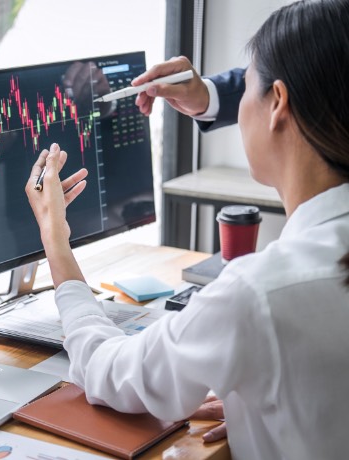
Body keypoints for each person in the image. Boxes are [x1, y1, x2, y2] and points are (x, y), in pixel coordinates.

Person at [25, 1, 349, 458]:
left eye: (248, 81)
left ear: (277, 103)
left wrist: (54, 237)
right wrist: (267, 405)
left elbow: (110, 373)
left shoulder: (257, 294)